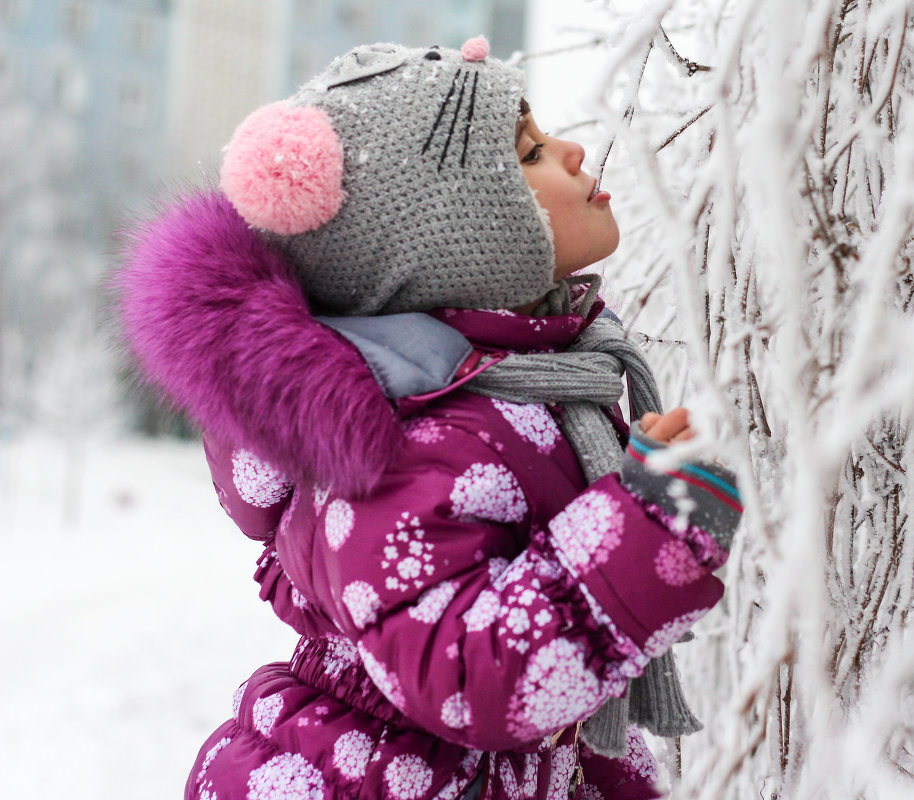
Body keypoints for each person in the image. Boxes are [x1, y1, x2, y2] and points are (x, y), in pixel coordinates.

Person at [117, 37, 741, 800]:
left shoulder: (522, 391)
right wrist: (640, 530)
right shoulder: (413, 446)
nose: (574, 153)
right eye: (531, 153)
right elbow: (465, 672)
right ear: (453, 238)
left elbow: (547, 703)